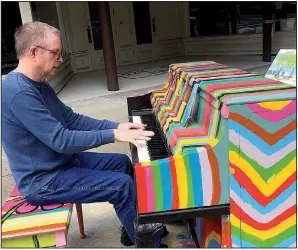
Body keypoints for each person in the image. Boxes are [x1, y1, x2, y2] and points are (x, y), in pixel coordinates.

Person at [2, 21, 167, 247]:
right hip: (42, 181)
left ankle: (133, 230)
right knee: (121, 186)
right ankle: (149, 244)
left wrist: (117, 127)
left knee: (122, 163)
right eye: (56, 54)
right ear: (33, 52)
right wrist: (113, 135)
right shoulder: (18, 93)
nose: (60, 60)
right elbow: (61, 140)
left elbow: (71, 119)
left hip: (59, 164)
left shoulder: (40, 84)